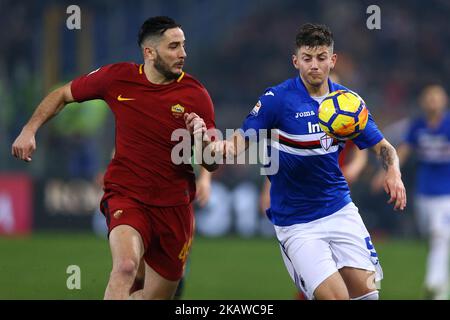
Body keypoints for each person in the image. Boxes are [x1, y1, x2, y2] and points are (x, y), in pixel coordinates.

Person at [185, 23, 406, 300]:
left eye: (321, 58)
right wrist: (207, 144)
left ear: (332, 60)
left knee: (369, 295)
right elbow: (233, 147)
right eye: (307, 58)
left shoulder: (348, 103)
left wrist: (393, 172)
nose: (314, 65)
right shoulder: (276, 100)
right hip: (297, 223)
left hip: (340, 211)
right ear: (296, 60)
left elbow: (384, 147)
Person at [12, 16, 217, 300]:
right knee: (125, 267)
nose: (183, 54)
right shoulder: (117, 78)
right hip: (127, 195)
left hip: (174, 206)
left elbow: (212, 161)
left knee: (153, 295)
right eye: (174, 46)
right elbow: (62, 94)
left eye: (183, 45)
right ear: (150, 52)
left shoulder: (196, 95)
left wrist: (203, 141)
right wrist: (29, 129)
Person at [373, 84, 450, 300]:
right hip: (424, 193)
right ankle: (442, 290)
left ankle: (433, 282)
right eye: (429, 97)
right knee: (433, 238)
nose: (432, 101)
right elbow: (404, 150)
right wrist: (386, 172)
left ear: (444, 101)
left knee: (440, 235)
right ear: (423, 101)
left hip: (447, 194)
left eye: (437, 97)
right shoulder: (418, 126)